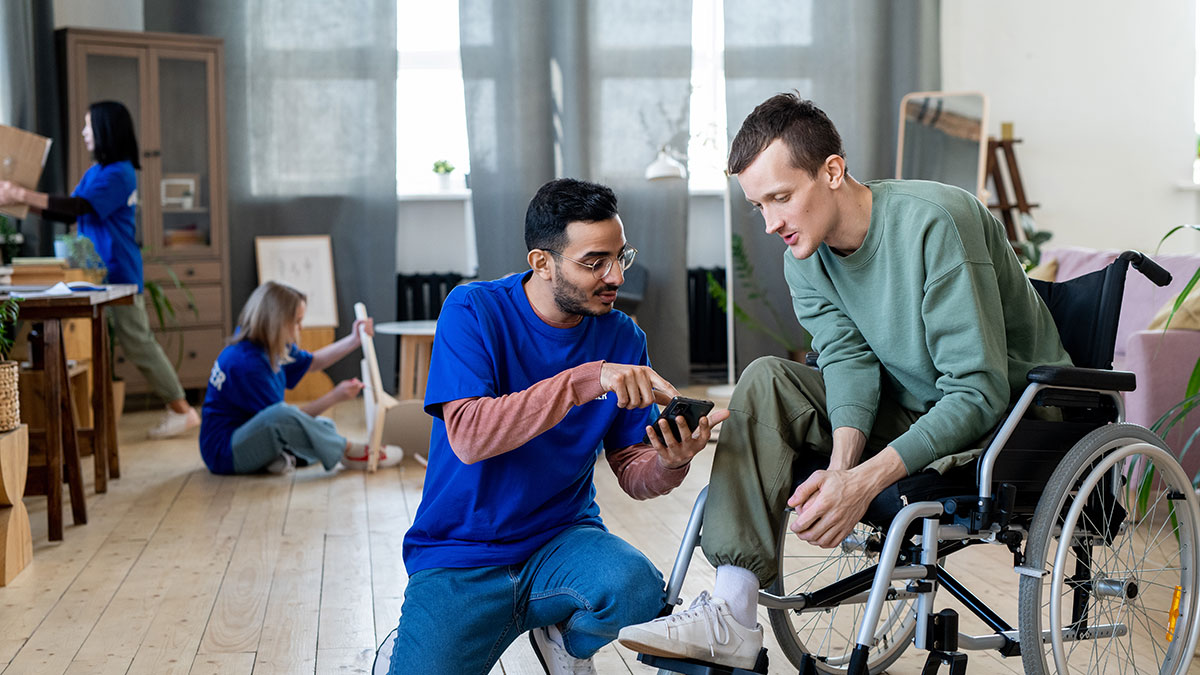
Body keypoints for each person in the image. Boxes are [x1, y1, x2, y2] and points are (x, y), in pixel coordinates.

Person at [617, 93, 1072, 668]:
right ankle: (732, 616)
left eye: (781, 198)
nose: (771, 223)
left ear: (832, 171)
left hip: (1010, 421)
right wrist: (839, 471)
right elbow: (848, 363)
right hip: (912, 405)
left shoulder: (937, 223)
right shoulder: (803, 257)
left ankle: (732, 616)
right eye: (758, 205)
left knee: (891, 415)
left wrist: (862, 483)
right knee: (766, 379)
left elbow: (977, 392)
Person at [386, 178, 729, 675]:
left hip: (562, 539)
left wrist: (670, 463)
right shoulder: (472, 311)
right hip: (461, 556)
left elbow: (632, 468)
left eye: (620, 257)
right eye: (594, 262)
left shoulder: (624, 337)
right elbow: (469, 436)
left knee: (636, 589)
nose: (614, 275)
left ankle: (564, 640)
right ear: (542, 263)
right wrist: (587, 379)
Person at [0, 100, 201, 439]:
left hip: (118, 272)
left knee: (139, 342)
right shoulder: (96, 172)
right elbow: (68, 213)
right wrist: (19, 201)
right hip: (92, 274)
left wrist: (21, 194)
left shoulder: (120, 173)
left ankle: (182, 409)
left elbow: (81, 206)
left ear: (106, 130)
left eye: (88, 126)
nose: (83, 132)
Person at [199, 280, 398, 475]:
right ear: (276, 322)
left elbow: (313, 362)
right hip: (224, 454)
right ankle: (351, 451)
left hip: (247, 436)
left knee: (324, 428)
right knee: (305, 427)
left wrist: (353, 340)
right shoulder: (247, 365)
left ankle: (282, 459)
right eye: (297, 322)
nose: (301, 328)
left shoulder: (265, 344)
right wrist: (335, 396)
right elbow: (282, 420)